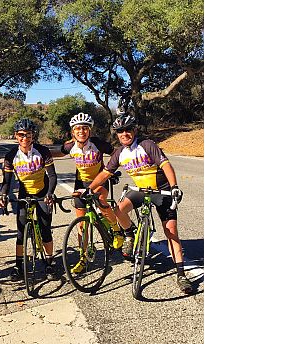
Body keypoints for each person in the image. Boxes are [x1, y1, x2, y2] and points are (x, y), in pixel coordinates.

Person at [86, 114, 193, 294]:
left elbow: (166, 166)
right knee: (119, 210)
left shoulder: (147, 145)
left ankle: (181, 274)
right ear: (117, 134)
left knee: (171, 231)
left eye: (128, 130)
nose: (124, 134)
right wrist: (89, 189)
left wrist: (174, 187)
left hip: (161, 191)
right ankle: (129, 234)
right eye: (120, 131)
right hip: (140, 191)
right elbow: (105, 174)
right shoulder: (119, 153)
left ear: (134, 130)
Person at [51, 112, 135, 269]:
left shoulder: (97, 143)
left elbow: (117, 153)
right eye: (78, 129)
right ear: (72, 131)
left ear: (89, 131)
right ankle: (83, 257)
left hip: (99, 181)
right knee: (81, 225)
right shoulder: (70, 146)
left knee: (102, 199)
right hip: (80, 183)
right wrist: (35, 151)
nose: (81, 131)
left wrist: (113, 170)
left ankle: (116, 230)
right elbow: (55, 153)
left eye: (85, 128)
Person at [0, 118, 59, 281]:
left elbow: (52, 176)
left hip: (42, 191)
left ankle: (49, 263)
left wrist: (50, 193)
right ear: (16, 136)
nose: (25, 138)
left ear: (33, 136)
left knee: (45, 229)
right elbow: (7, 180)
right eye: (21, 135)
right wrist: (3, 195)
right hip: (25, 193)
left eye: (28, 134)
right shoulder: (11, 156)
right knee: (20, 231)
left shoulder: (43, 151)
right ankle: (18, 266)